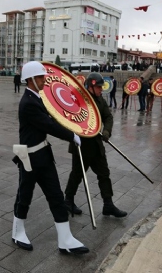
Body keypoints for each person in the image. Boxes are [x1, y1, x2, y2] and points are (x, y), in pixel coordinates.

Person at [11, 61, 89, 255]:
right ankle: (17, 231)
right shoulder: (28, 103)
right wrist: (71, 136)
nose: (44, 80)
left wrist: (72, 124)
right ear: (30, 80)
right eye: (40, 77)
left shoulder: (37, 98)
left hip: (44, 156)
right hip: (30, 158)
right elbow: (48, 125)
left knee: (55, 196)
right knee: (24, 197)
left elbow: (53, 118)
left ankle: (65, 239)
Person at [64, 73, 127, 218]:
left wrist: (106, 131)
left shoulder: (100, 100)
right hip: (81, 145)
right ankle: (68, 200)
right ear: (90, 86)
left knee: (104, 174)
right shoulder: (79, 99)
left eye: (101, 87)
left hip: (97, 145)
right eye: (98, 87)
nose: (101, 90)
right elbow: (70, 118)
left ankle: (108, 204)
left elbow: (108, 116)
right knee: (77, 175)